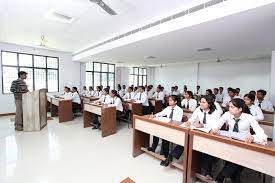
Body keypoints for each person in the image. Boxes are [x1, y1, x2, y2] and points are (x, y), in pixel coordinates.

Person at [212, 98, 268, 183]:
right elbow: (217, 124)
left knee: (236, 160)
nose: (229, 108)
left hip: (244, 144)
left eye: (232, 107)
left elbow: (261, 134)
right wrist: (215, 128)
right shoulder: (227, 114)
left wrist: (253, 137)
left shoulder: (248, 117)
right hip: (230, 142)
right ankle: (235, 180)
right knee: (234, 161)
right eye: (229, 106)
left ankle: (220, 177)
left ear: (240, 109)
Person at [161, 95, 221, 168]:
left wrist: (203, 125)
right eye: (200, 102)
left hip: (211, 133)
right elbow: (192, 118)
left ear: (209, 104)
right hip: (199, 131)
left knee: (205, 149)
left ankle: (206, 170)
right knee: (186, 139)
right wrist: (189, 122)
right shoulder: (199, 109)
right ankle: (170, 157)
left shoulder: (216, 112)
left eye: (203, 102)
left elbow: (215, 126)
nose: (200, 104)